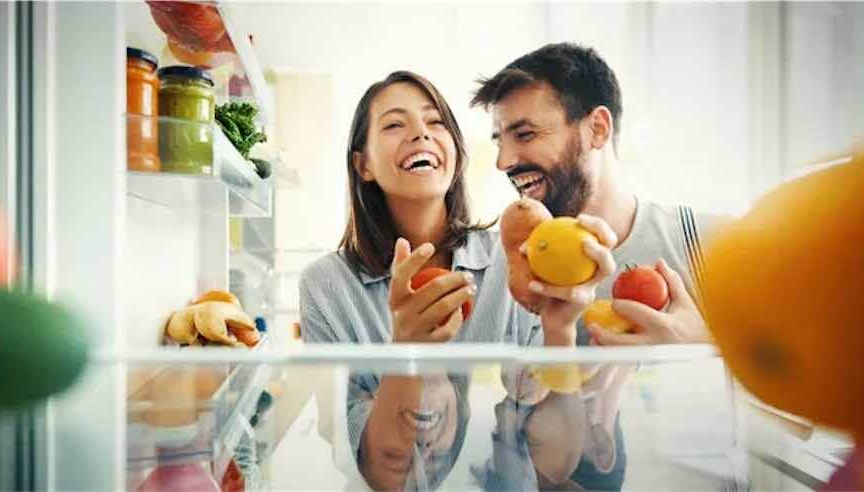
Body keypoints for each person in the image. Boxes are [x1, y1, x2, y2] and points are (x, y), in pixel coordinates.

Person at [297, 71, 615, 490]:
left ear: (455, 152)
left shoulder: (515, 259)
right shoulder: (326, 286)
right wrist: (407, 350)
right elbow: (383, 474)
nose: (420, 134)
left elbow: (554, 462)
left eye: (435, 122)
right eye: (395, 124)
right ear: (364, 165)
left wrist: (559, 332)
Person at [471, 42, 725, 490]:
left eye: (525, 134)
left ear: (597, 129)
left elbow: (811, 412)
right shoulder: (501, 272)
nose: (504, 162)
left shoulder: (708, 247)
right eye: (501, 140)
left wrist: (702, 346)